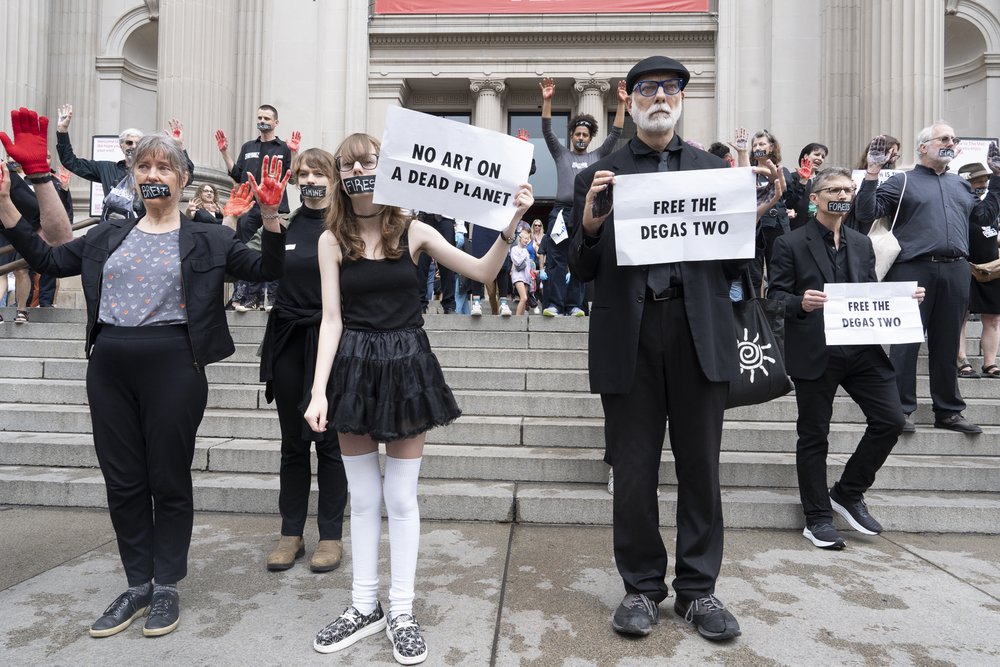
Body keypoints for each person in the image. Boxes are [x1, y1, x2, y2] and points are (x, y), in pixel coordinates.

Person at [0, 117, 287, 639]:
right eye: (144, 165)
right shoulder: (109, 232)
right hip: (109, 363)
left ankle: (167, 584)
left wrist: (269, 215)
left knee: (167, 477)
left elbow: (269, 271)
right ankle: (137, 583)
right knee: (124, 480)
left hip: (174, 363)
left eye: (164, 165)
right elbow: (44, 256)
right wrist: (8, 202)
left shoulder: (208, 238)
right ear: (133, 176)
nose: (153, 172)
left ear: (181, 177)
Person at [303, 133, 533, 664]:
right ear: (340, 174)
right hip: (353, 370)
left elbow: (482, 271)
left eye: (369, 160)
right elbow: (331, 320)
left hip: (407, 365)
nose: (359, 168)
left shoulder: (415, 230)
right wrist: (318, 391)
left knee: (401, 498)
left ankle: (401, 610)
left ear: (387, 168)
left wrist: (509, 225)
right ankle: (364, 607)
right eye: (349, 162)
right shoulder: (331, 239)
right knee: (362, 498)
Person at [569, 55, 748, 642]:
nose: (659, 97)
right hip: (630, 336)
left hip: (699, 334)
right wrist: (592, 224)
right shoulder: (601, 173)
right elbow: (579, 267)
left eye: (670, 88)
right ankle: (642, 587)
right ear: (629, 99)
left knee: (702, 468)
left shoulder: (712, 169)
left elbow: (738, 265)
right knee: (635, 470)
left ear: (681, 100)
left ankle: (698, 591)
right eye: (647, 89)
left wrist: (750, 210)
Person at [768, 166, 923, 549]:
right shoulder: (790, 243)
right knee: (814, 434)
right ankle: (817, 516)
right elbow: (775, 298)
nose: (842, 194)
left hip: (862, 349)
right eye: (833, 188)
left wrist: (901, 301)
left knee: (890, 420)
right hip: (815, 349)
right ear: (815, 197)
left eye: (848, 189)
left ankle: (848, 492)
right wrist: (800, 303)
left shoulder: (861, 242)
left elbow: (869, 292)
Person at [855, 129, 1000, 434]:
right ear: (922, 147)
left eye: (954, 140)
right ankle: (900, 410)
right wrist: (872, 172)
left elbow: (985, 217)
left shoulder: (961, 183)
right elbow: (866, 212)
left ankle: (948, 411)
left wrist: (997, 177)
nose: (951, 143)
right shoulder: (901, 180)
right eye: (944, 139)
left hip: (956, 269)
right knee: (906, 343)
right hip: (912, 268)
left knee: (947, 343)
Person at [258, 148, 348, 573]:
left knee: (330, 443)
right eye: (305, 174)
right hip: (289, 342)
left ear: (334, 179)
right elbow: (263, 265)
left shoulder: (344, 227)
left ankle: (330, 535)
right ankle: (290, 533)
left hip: (331, 344)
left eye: (320, 173)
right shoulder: (286, 225)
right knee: (293, 444)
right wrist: (268, 215)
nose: (311, 180)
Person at [539, 76, 625, 317]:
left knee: (579, 256)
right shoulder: (561, 154)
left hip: (583, 211)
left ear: (590, 138)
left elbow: (616, 134)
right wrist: (547, 100)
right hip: (560, 211)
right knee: (556, 259)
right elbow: (546, 130)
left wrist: (620, 103)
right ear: (572, 135)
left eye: (585, 135)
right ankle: (554, 305)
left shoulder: (597, 156)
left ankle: (575, 305)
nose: (580, 138)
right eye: (577, 133)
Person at [216, 105, 299, 310]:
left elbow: (294, 177)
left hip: (276, 208)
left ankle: (271, 298)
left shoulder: (283, 148)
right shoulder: (248, 147)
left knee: (274, 250)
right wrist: (225, 152)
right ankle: (245, 298)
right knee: (245, 249)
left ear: (275, 122)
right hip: (249, 208)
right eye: (260, 117)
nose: (262, 120)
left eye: (267, 118)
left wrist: (295, 153)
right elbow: (236, 174)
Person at [56, 105, 193, 220]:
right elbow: (71, 162)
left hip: (142, 229)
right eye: (128, 142)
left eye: (137, 143)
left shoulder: (153, 172)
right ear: (121, 146)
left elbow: (186, 177)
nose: (133, 146)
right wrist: (62, 131)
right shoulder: (106, 168)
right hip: (112, 231)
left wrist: (179, 147)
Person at [957, 162, 1000, 379]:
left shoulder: (989, 208)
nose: (983, 185)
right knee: (961, 316)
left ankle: (990, 363)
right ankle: (961, 360)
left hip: (991, 271)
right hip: (965, 268)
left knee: (993, 318)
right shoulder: (962, 207)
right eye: (978, 181)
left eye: (985, 181)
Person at [509, 229, 533, 315]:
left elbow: (528, 265)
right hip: (518, 276)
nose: (527, 240)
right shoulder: (514, 249)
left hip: (526, 277)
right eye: (525, 238)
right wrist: (524, 254)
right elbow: (517, 262)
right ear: (520, 238)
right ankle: (517, 320)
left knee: (524, 300)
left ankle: (521, 320)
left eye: (528, 239)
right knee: (524, 298)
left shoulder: (526, 251)